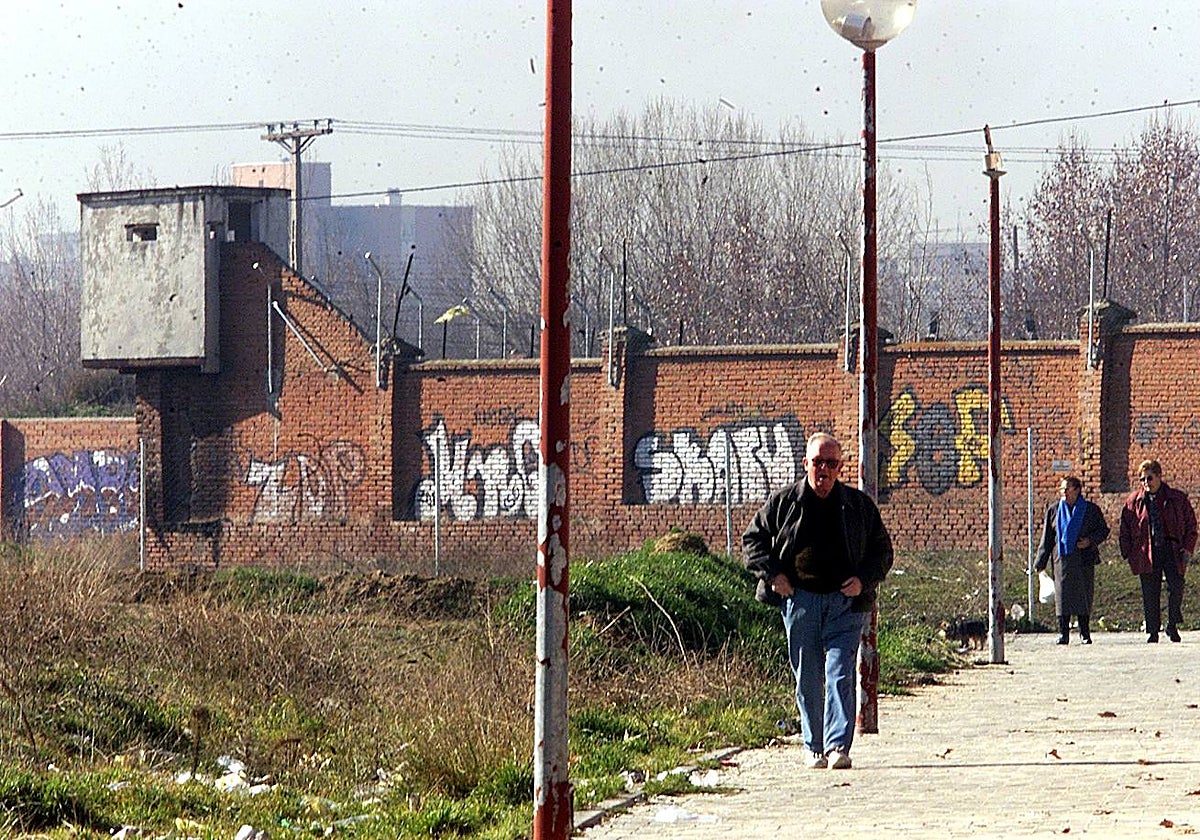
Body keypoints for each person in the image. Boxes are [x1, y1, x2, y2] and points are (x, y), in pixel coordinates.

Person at [743, 432, 893, 771]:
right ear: (805, 464)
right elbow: (753, 540)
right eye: (817, 462)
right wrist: (774, 576)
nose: (823, 470)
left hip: (845, 602)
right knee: (808, 677)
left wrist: (864, 580)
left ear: (840, 467)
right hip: (801, 601)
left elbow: (882, 552)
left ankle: (839, 745)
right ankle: (815, 747)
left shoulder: (857, 506)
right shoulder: (784, 503)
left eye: (831, 463)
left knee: (840, 673)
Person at [1119, 459, 1197, 643]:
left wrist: (1187, 548)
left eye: (1149, 478)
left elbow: (1191, 525)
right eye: (1142, 479)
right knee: (1150, 591)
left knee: (1176, 586)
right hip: (1146, 551)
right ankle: (1152, 630)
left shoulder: (1177, 498)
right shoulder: (1134, 501)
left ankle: (1172, 625)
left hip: (1172, 549)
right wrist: (1128, 552)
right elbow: (1125, 528)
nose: (1146, 482)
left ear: (1159, 476)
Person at [1035, 475, 1110, 644]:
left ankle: (1084, 632)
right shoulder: (1054, 510)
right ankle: (1064, 633)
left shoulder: (1090, 510)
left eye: (1066, 489)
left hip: (1084, 558)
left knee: (1083, 595)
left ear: (1076, 490)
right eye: (1061, 489)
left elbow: (1103, 530)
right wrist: (1040, 562)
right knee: (1063, 597)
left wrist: (1089, 541)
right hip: (1062, 559)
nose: (1063, 492)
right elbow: (1047, 538)